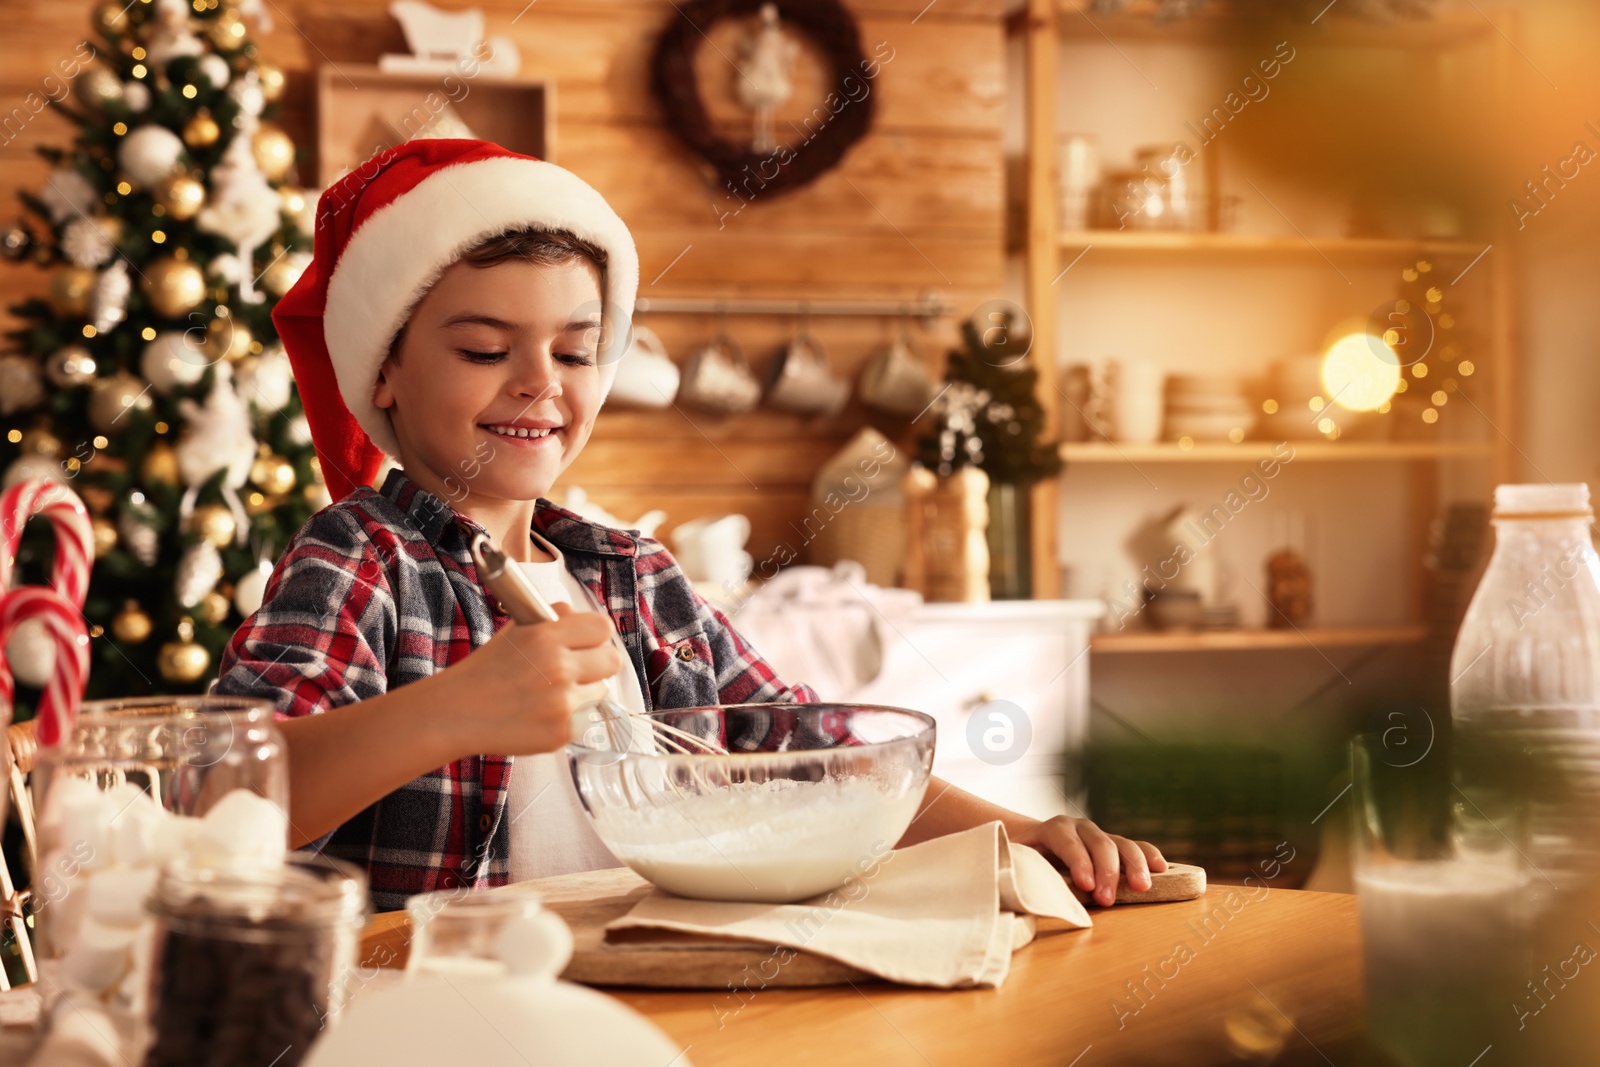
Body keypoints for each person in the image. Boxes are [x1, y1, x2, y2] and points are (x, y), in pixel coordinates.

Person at [216, 138, 1166, 912]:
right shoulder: (362, 558)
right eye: (483, 347)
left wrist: (1019, 831)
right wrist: (453, 709)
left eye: (577, 350)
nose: (540, 381)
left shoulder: (631, 574)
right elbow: (229, 796)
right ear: (384, 369)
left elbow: (812, 752)